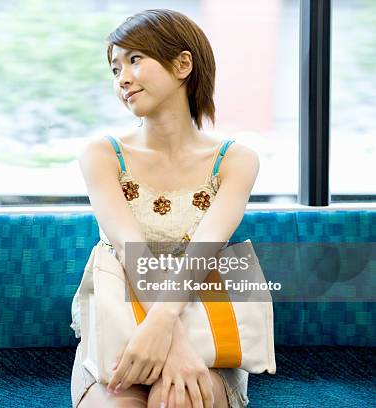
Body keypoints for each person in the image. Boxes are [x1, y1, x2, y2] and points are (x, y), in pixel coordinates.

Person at [70, 9, 259, 408]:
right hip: (120, 325)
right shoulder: (102, 154)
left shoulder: (235, 160)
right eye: (115, 67)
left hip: (204, 323)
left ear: (182, 65)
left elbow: (203, 251)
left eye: (135, 59)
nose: (122, 78)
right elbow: (129, 249)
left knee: (177, 399)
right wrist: (168, 341)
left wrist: (167, 330)